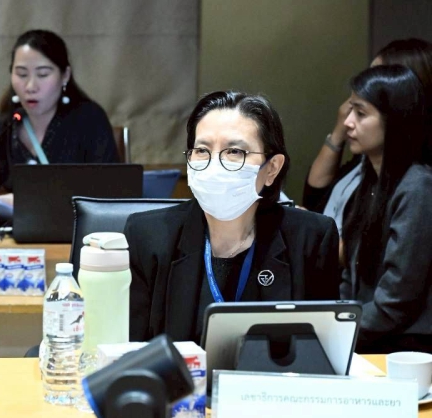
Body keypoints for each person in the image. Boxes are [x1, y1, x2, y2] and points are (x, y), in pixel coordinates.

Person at [124, 91, 339, 343]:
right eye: (202, 150)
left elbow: (322, 348)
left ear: (272, 168)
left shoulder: (311, 239)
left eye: (234, 151)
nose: (215, 165)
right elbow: (126, 349)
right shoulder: (146, 236)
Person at [0, 30, 119, 215]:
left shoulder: (89, 120)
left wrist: (26, 201)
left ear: (65, 75)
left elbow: (110, 194)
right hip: (13, 232)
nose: (31, 86)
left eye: (42, 74)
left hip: (76, 230)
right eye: (21, 74)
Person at [339, 65, 432, 353]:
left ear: (394, 120)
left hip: (407, 347)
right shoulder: (369, 182)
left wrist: (339, 331)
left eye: (361, 113)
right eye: (350, 110)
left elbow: (398, 296)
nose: (348, 122)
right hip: (371, 337)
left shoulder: (418, 187)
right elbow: (351, 275)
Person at [303, 39, 432, 234]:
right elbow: (314, 197)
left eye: (361, 112)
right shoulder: (369, 161)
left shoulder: (416, 183)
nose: (367, 83)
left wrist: (318, 236)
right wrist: (339, 132)